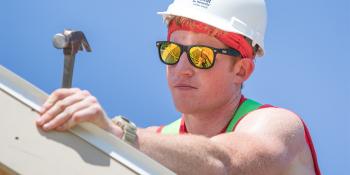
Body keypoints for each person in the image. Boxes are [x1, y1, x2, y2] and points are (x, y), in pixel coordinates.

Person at [36, 0, 321, 174]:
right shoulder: (154, 141)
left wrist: (117, 136)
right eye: (173, 51)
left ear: (241, 69)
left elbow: (223, 162)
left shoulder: (279, 126)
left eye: (201, 56)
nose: (182, 67)